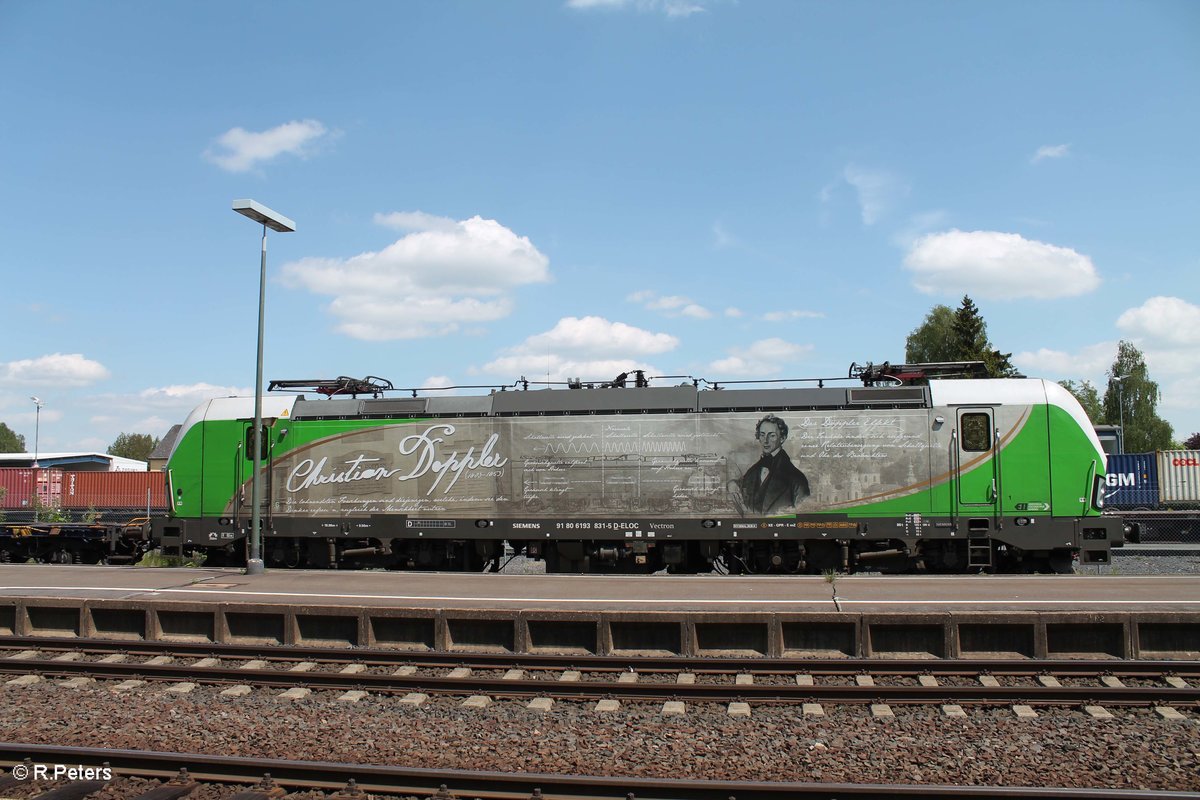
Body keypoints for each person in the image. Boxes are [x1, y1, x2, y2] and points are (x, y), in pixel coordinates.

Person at [730, 414, 809, 514]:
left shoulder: (797, 479)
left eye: (772, 436)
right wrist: (732, 484)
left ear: (782, 438)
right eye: (762, 435)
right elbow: (742, 486)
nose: (765, 441)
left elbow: (804, 515)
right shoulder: (753, 471)